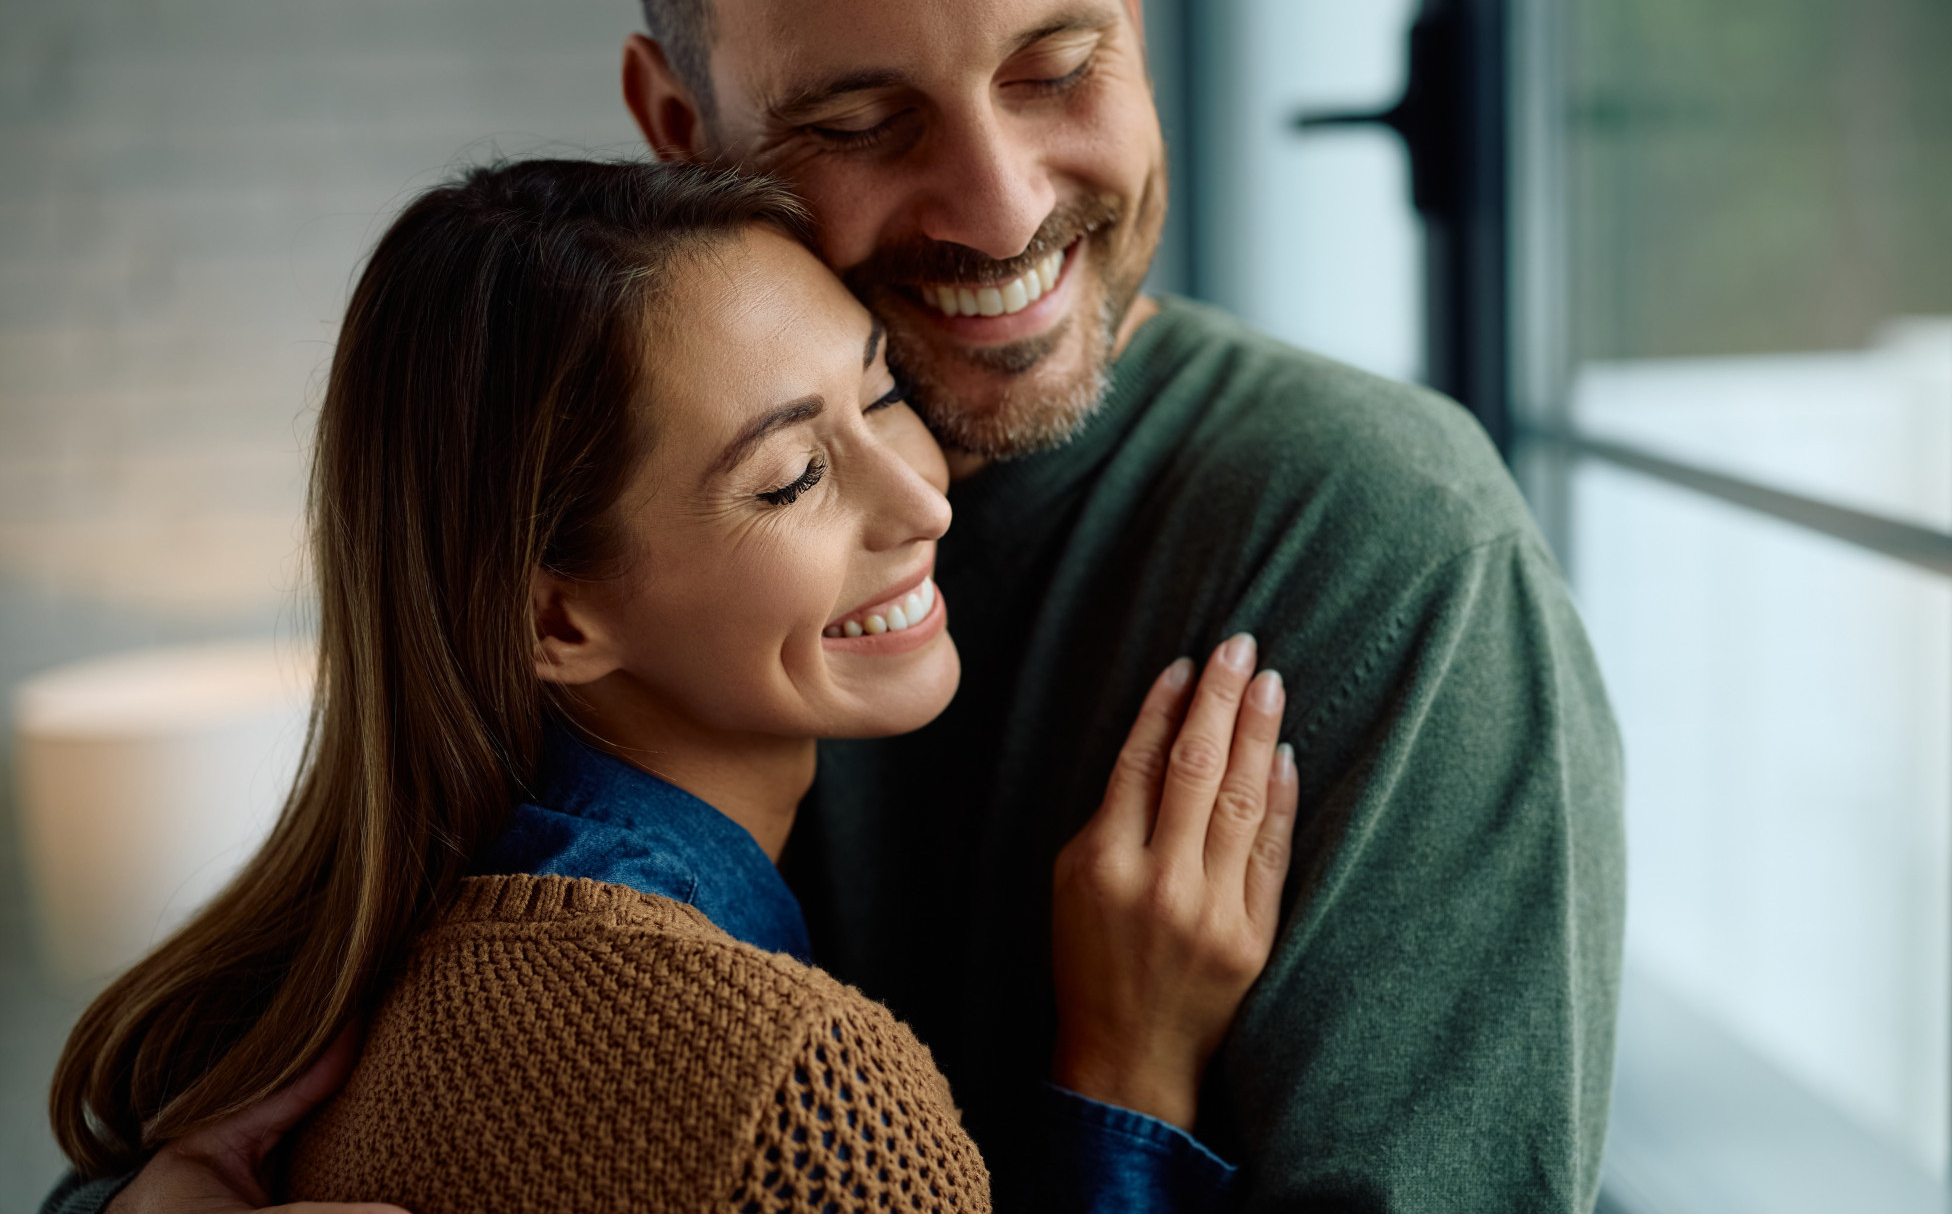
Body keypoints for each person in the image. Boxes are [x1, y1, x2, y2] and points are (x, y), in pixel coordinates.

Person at [58, 0, 1626, 1208]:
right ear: (683, 126)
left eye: (1056, 66)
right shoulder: (562, 551)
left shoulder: (1390, 554)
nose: (1000, 207)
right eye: (865, 120)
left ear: (1134, 1)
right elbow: (230, 1102)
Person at [46, 159, 1297, 1213]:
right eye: (792, 476)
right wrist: (1127, 1081)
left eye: (881, 393)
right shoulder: (790, 1090)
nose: (921, 500)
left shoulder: (396, 948)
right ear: (557, 616)